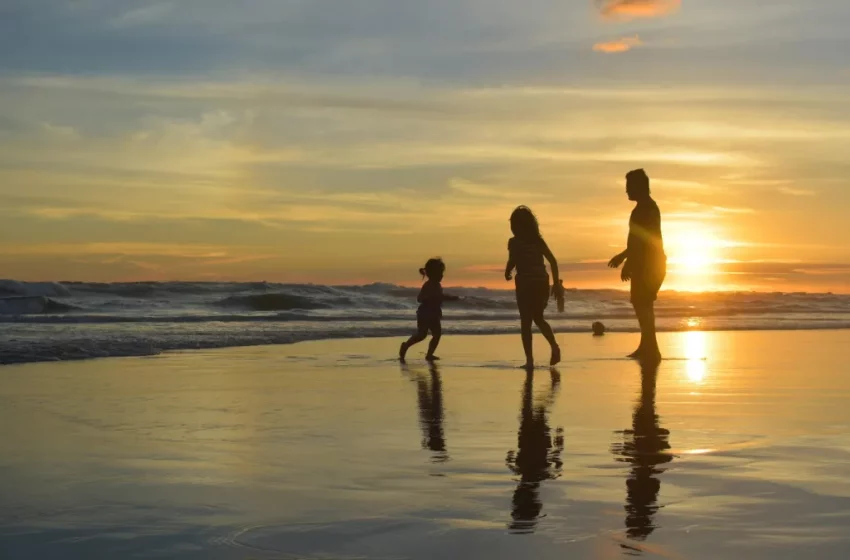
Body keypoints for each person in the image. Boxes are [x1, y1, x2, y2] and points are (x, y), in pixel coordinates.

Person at [608, 169, 667, 361]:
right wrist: (625, 257)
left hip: (650, 264)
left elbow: (642, 241)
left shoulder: (646, 209)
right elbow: (637, 240)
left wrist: (626, 260)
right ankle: (647, 346)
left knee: (643, 304)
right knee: (641, 303)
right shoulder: (644, 208)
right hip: (646, 263)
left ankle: (651, 349)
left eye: (629, 186)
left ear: (639, 187)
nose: (626, 191)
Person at [505, 206, 562, 368]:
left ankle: (529, 361)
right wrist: (556, 283)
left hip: (525, 283)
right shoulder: (538, 241)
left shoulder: (514, 242)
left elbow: (513, 260)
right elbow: (553, 261)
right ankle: (554, 346)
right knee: (538, 318)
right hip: (541, 282)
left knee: (526, 322)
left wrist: (508, 271)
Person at [399, 258, 459, 362]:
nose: (442, 275)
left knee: (437, 334)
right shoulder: (428, 285)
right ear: (433, 273)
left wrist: (450, 298)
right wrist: (430, 298)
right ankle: (406, 345)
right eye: (440, 273)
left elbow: (440, 296)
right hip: (425, 313)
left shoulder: (437, 285)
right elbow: (419, 298)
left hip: (434, 313)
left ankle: (429, 354)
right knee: (421, 335)